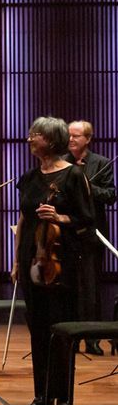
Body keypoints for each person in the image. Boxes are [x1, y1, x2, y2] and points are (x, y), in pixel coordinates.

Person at [13, 117, 94, 405]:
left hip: (62, 261)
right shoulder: (29, 178)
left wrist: (60, 219)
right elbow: (23, 220)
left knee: (60, 326)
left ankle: (63, 395)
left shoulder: (73, 176)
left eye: (36, 135)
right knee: (37, 327)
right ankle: (42, 392)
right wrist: (16, 260)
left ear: (52, 140)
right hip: (32, 259)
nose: (29, 139)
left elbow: (87, 220)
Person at [64, 120, 116, 355]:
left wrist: (88, 188)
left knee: (91, 286)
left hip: (93, 233)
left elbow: (110, 195)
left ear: (88, 139)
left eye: (76, 136)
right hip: (66, 233)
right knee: (69, 286)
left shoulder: (101, 163)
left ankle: (92, 339)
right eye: (69, 136)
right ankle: (71, 337)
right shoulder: (61, 163)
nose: (71, 140)